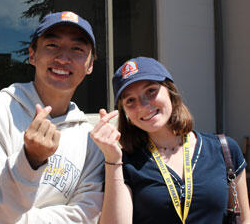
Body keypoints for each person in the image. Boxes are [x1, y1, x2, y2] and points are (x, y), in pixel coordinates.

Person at [0, 11, 105, 224]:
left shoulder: (91, 139)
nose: (63, 58)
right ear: (32, 55)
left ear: (90, 65)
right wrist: (30, 159)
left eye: (77, 49)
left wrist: (9, 220)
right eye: (52, 45)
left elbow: (88, 215)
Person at [91, 56, 250, 224]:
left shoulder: (224, 149)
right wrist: (113, 160)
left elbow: (244, 219)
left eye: (151, 91)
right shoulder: (124, 164)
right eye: (130, 100)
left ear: (170, 92)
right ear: (125, 113)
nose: (143, 105)